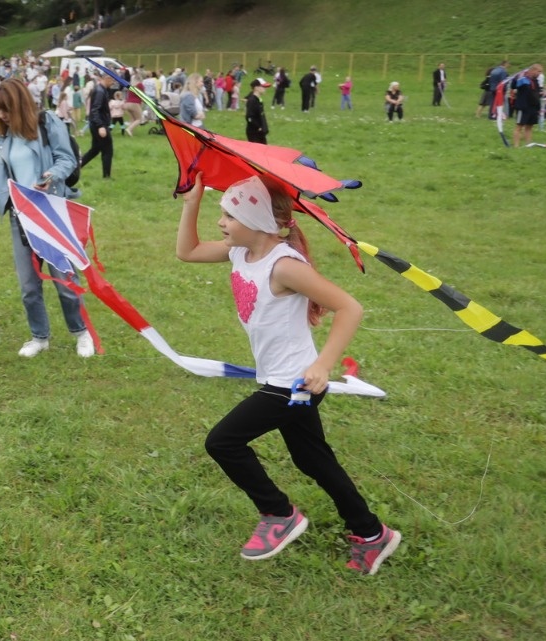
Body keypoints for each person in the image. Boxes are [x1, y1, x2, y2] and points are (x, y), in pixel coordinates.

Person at [175, 171, 401, 575]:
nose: (221, 223)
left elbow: (350, 308)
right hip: (278, 378)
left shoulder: (284, 266)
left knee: (223, 442)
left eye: (228, 215)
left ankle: (278, 514)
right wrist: (191, 201)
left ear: (258, 222)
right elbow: (187, 252)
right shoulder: (241, 252)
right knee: (314, 461)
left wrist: (322, 364)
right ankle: (372, 533)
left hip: (294, 383)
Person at [0, 78, 94, 359]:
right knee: (29, 286)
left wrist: (51, 175)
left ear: (20, 104)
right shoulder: (1, 139)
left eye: (6, 109)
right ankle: (40, 337)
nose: (2, 115)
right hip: (21, 219)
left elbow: (67, 159)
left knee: (65, 280)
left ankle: (81, 333)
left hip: (50, 215)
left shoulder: (47, 123)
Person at [80, 72, 115, 179]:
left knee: (95, 150)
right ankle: (106, 176)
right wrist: (101, 126)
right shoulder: (100, 91)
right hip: (99, 124)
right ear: (107, 79)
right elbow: (95, 110)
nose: (113, 83)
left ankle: (76, 167)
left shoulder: (101, 90)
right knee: (108, 150)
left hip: (96, 123)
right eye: (112, 80)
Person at [512, 64, 543, 148]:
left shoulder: (536, 81)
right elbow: (514, 85)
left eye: (541, 72)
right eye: (538, 71)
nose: (540, 73)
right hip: (523, 107)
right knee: (519, 126)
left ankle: (528, 144)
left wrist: (538, 106)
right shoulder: (523, 80)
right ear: (532, 70)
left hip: (533, 108)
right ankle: (516, 146)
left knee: (529, 126)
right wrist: (517, 77)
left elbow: (536, 94)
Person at [244, 77, 270, 144]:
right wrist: (258, 127)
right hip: (254, 132)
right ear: (256, 88)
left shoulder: (258, 100)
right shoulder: (252, 100)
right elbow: (249, 117)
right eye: (263, 87)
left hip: (260, 133)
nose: (265, 89)